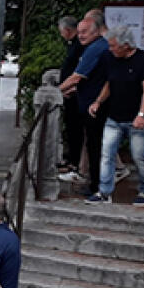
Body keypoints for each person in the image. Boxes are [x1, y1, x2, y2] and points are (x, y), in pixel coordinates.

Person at [86, 25, 144, 207]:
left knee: (139, 155)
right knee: (106, 154)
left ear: (126, 46)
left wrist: (142, 114)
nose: (110, 49)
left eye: (113, 46)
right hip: (114, 116)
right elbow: (110, 82)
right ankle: (104, 191)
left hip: (135, 117)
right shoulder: (111, 59)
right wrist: (98, 101)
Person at [58, 18, 111, 199]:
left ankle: (98, 187)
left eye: (85, 32)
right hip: (91, 102)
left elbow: (77, 76)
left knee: (95, 147)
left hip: (95, 106)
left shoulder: (96, 49)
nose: (80, 35)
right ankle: (96, 183)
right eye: (79, 31)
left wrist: (56, 92)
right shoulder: (98, 47)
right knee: (94, 146)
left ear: (96, 31)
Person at [57, 15, 86, 182]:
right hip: (69, 93)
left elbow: (79, 72)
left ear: (68, 30)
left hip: (75, 94)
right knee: (71, 128)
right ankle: (72, 159)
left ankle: (75, 162)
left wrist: (65, 88)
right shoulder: (74, 45)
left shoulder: (79, 46)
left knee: (75, 129)